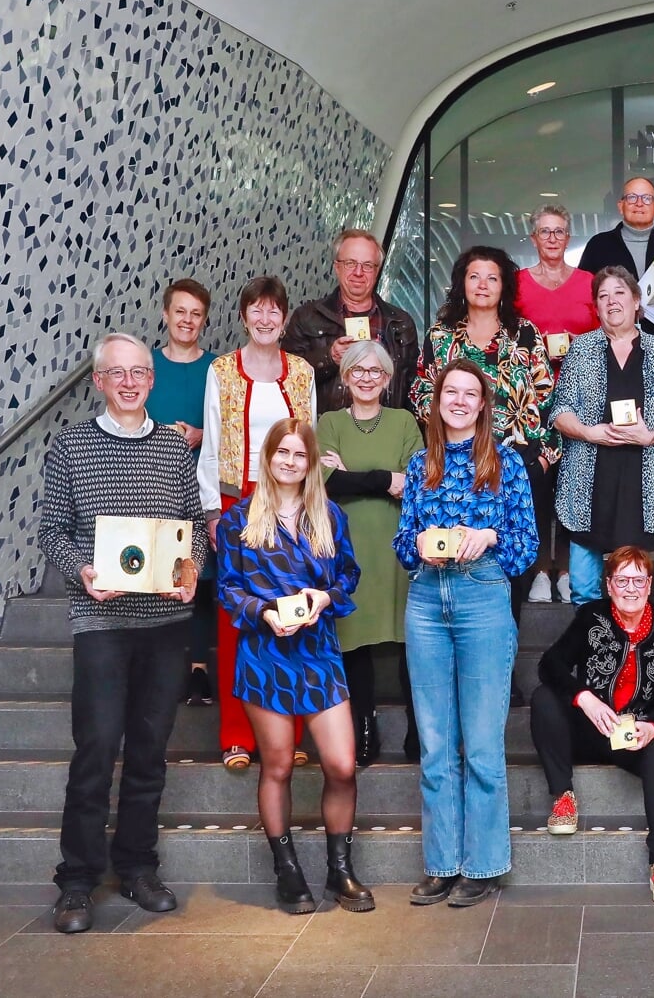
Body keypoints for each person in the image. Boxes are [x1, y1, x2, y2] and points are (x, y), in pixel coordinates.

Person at [38, 333, 208, 934]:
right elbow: (53, 531)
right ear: (99, 382)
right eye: (118, 373)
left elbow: (197, 532)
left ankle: (137, 865)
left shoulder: (170, 447)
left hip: (165, 628)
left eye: (140, 372)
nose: (131, 382)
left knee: (148, 754)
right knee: (95, 751)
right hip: (103, 625)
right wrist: (82, 572)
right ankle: (77, 881)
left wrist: (191, 572)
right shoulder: (74, 445)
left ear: (152, 380)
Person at [395, 360, 540, 907]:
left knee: (480, 743)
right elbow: (403, 544)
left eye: (469, 393)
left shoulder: (507, 464)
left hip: (482, 596)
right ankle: (442, 864)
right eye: (449, 392)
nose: (458, 400)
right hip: (428, 599)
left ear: (483, 405)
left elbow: (526, 547)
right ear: (437, 402)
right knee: (435, 743)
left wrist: (487, 534)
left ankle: (482, 865)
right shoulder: (419, 465)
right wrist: (426, 538)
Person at [216, 419, 370, 914]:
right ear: (268, 456)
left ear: (310, 463)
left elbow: (350, 575)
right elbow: (227, 590)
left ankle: (340, 871)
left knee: (342, 765)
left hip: (319, 654)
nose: (289, 461)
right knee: (278, 764)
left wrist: (325, 597)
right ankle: (288, 873)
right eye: (282, 452)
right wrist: (262, 612)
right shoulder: (240, 519)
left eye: (299, 454)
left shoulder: (328, 516)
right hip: (265, 655)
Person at [200, 276, 318, 771]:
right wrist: (211, 510)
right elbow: (209, 443)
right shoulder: (222, 371)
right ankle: (236, 735)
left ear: (284, 318)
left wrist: (310, 507)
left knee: (289, 614)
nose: (265, 319)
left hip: (291, 502)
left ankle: (288, 734)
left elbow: (308, 444)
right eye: (256, 310)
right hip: (239, 502)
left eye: (274, 311)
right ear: (244, 316)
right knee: (236, 621)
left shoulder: (303, 372)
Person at [530, 546, 654, 906]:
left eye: (638, 580)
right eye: (622, 580)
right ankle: (563, 796)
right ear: (609, 586)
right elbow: (550, 664)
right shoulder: (591, 617)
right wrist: (584, 697)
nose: (630, 588)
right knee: (544, 698)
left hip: (637, 736)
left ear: (649, 586)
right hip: (592, 729)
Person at [412, 245, 556, 628]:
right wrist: (446, 440)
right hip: (454, 467)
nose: (483, 284)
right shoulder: (441, 336)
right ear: (462, 283)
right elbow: (422, 392)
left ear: (504, 286)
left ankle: (503, 673)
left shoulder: (524, 334)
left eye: (492, 277)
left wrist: (542, 457)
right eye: (474, 276)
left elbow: (547, 395)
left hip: (516, 465)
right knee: (456, 562)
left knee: (510, 568)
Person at [316, 341, 425, 767]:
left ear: (386, 379)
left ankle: (420, 729)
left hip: (397, 545)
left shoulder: (402, 421)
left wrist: (352, 474)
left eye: (374, 371)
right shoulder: (328, 422)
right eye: (357, 370)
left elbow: (413, 481)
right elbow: (324, 482)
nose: (365, 378)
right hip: (346, 545)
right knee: (353, 642)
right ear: (344, 377)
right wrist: (384, 478)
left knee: (408, 640)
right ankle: (365, 726)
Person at [550, 265, 654, 603]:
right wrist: (589, 432)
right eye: (603, 296)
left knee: (634, 586)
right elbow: (559, 410)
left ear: (637, 301)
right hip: (588, 478)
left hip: (642, 479)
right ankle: (591, 647)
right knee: (583, 589)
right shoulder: (580, 350)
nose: (611, 301)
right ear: (596, 307)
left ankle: (629, 653)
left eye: (619, 293)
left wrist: (651, 435)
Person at [516, 204, 598, 604]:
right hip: (528, 403)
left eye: (559, 231)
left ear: (569, 238)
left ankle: (565, 569)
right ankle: (536, 572)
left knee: (573, 487)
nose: (552, 238)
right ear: (533, 239)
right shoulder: (516, 285)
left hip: (579, 399)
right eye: (544, 232)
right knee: (535, 487)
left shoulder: (587, 283)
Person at [145, 278, 216, 706]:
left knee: (201, 578)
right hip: (156, 487)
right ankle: (160, 668)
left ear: (204, 320)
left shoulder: (217, 370)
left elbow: (234, 432)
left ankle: (198, 671)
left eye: (196, 313)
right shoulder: (147, 367)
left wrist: (200, 435)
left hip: (202, 487)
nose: (187, 320)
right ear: (166, 314)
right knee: (158, 577)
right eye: (180, 311)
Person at [282, 228, 422, 415]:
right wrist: (329, 358)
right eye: (350, 263)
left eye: (367, 265)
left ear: (377, 271)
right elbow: (285, 379)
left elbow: (413, 388)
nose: (358, 272)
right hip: (326, 436)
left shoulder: (400, 323)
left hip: (386, 437)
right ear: (336, 267)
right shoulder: (307, 317)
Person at [578, 176, 654, 342]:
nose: (639, 203)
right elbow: (582, 301)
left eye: (647, 198)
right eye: (632, 197)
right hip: (607, 349)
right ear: (621, 206)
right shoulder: (598, 245)